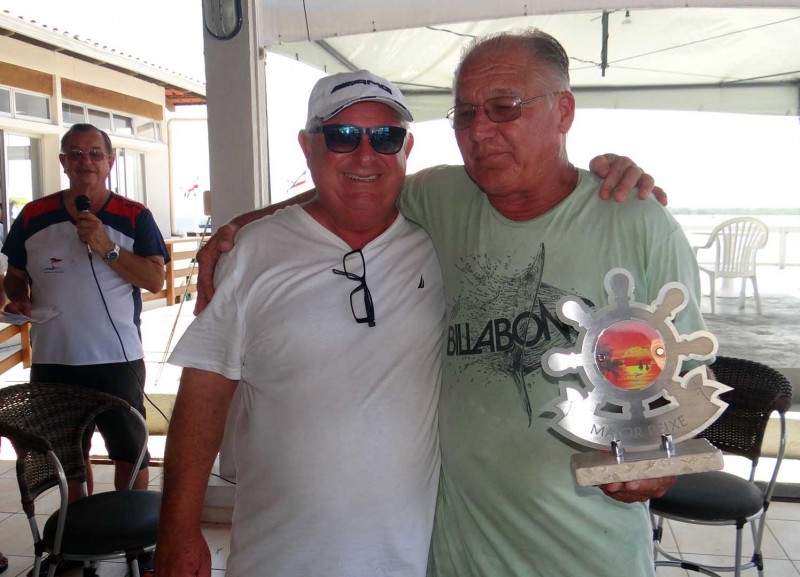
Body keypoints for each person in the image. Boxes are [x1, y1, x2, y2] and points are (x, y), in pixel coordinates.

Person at [195, 32, 706, 577]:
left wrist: (660, 457)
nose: (479, 131)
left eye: (504, 107)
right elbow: (356, 183)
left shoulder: (637, 219)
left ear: (563, 111)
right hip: (456, 555)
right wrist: (240, 227)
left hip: (591, 556)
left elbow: (689, 380)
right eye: (464, 114)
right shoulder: (444, 198)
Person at [157, 71, 444, 577]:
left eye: (385, 137)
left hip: (410, 560)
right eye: (341, 136)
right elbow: (203, 395)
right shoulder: (252, 252)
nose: (365, 155)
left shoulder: (440, 241)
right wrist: (178, 530)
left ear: (406, 148)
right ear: (308, 147)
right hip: (277, 559)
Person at [1, 123, 169, 577]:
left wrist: (105, 246)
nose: (85, 162)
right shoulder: (33, 215)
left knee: (129, 450)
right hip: (54, 357)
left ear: (110, 162)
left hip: (116, 358)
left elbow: (155, 280)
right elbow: (15, 275)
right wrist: (18, 298)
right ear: (63, 162)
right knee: (66, 455)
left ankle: (136, 540)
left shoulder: (134, 216)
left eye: (95, 153)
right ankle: (77, 545)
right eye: (75, 153)